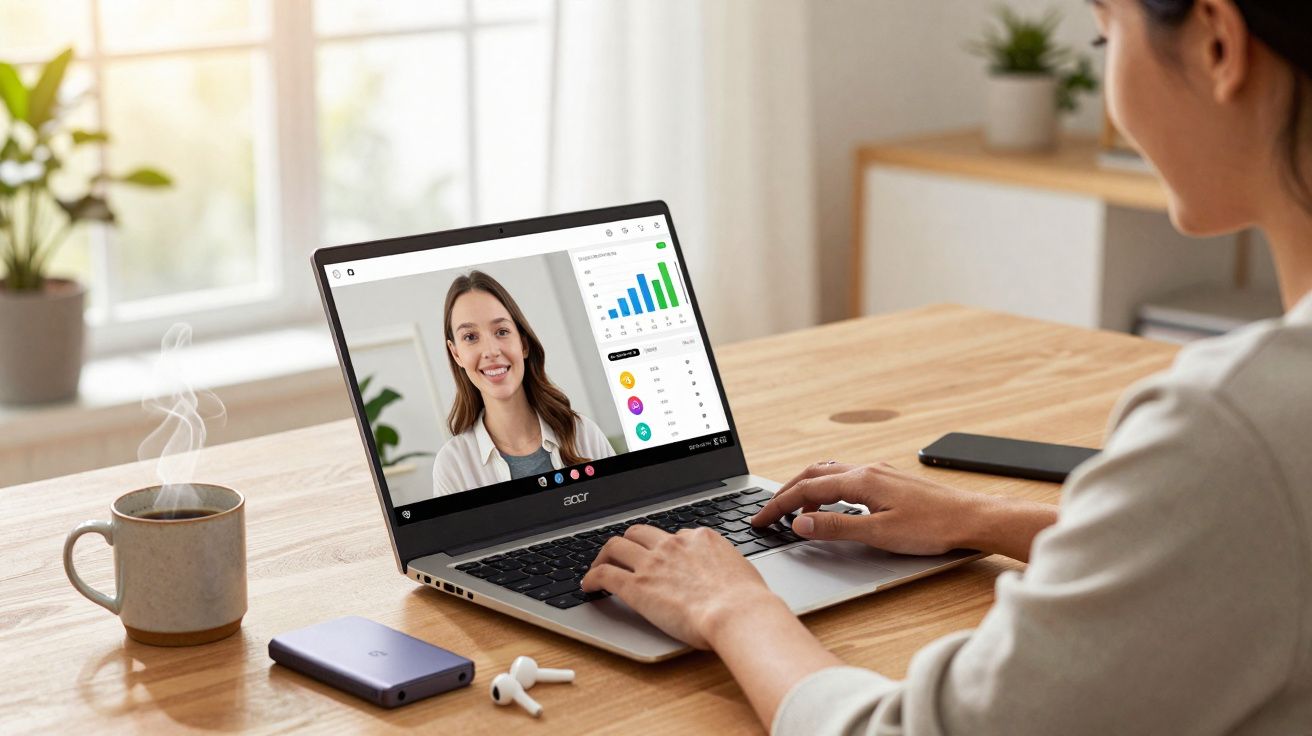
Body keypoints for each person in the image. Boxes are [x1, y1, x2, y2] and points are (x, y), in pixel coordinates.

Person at [581, 0, 1312, 732]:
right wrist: (985, 518)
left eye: (1104, 33)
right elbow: (1236, 552)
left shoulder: (1232, 427)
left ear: (1219, 44)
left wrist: (731, 605)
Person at [433, 270, 615, 496]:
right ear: (456, 354)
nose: (490, 351)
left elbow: (627, 512)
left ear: (523, 344)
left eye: (501, 331)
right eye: (470, 337)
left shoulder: (583, 434)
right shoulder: (453, 464)